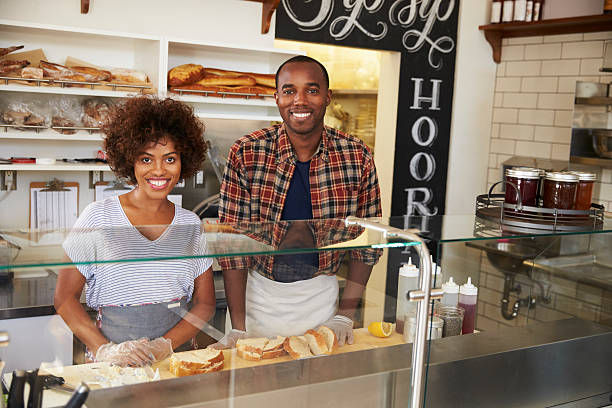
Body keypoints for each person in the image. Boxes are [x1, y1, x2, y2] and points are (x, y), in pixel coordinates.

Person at [215, 55, 382, 348]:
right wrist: (238, 327)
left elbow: (366, 244)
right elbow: (233, 248)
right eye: (289, 90)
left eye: (312, 90)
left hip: (322, 301)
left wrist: (345, 315)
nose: (300, 100)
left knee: (316, 392)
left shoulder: (356, 156)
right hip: (257, 301)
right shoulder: (247, 152)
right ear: (276, 96)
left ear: (328, 97)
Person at [54, 97, 215, 367]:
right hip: (113, 365)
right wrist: (105, 350)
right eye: (146, 159)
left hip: (174, 361)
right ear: (130, 161)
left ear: (183, 161)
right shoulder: (99, 215)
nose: (159, 170)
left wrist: (164, 345)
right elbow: (64, 298)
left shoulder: (190, 224)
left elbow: (205, 304)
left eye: (170, 159)